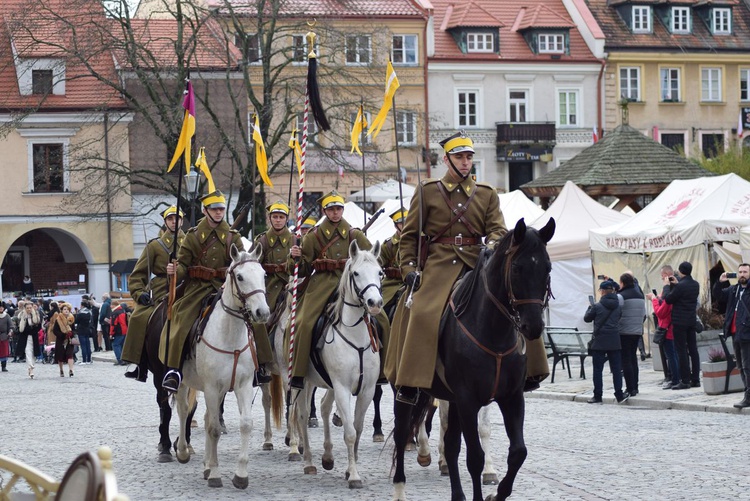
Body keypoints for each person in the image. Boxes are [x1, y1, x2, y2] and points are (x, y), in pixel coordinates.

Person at [384, 130, 512, 405]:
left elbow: (498, 230)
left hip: (478, 262)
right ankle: (412, 382)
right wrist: (408, 269)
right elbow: (409, 237)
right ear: (446, 159)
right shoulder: (427, 191)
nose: (465, 162)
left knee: (515, 303)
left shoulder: (487, 194)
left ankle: (526, 372)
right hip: (439, 263)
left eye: (468, 157)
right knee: (421, 313)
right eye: (459, 157)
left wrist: (493, 243)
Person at [287, 190, 390, 390]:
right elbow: (302, 269)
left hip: (353, 284)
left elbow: (373, 260)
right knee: (303, 323)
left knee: (383, 321)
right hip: (323, 284)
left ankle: (383, 371)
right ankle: (298, 372)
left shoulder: (355, 234)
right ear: (325, 210)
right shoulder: (314, 236)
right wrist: (296, 257)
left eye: (339, 208)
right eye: (332, 209)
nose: (335, 213)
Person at [160, 190, 244, 393]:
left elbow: (241, 264)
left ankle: (260, 366)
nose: (218, 212)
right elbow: (183, 266)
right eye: (214, 209)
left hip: (225, 288)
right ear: (205, 210)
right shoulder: (193, 236)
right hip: (198, 289)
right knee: (181, 322)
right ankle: (175, 370)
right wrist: (174, 270)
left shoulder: (233, 237)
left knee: (252, 320)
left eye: (221, 209)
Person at [122, 205, 186, 382]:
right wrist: (138, 292)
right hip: (160, 288)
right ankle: (138, 363)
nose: (174, 222)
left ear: (182, 221)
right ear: (165, 222)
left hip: (187, 286)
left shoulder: (190, 243)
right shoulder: (154, 246)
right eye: (170, 219)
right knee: (138, 317)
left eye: (177, 219)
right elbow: (138, 274)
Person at [251, 201, 293, 385]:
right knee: (260, 321)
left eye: (281, 217)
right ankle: (261, 362)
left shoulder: (296, 240)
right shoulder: (262, 241)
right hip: (269, 287)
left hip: (292, 285)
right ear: (270, 219)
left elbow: (306, 264)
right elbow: (251, 266)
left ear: (286, 219)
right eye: (275, 217)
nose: (278, 220)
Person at [713, 263, 750, 408]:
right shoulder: (734, 289)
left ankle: (748, 397)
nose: (742, 274)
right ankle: (747, 393)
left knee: (747, 367)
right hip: (735, 334)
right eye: (740, 272)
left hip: (747, 334)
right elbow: (718, 295)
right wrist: (719, 282)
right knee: (740, 366)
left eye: (745, 272)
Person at [584, 280, 627, 404]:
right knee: (616, 369)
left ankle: (597, 395)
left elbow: (587, 319)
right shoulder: (618, 306)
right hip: (614, 340)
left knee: (598, 369)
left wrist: (590, 307)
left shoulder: (597, 306)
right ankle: (619, 394)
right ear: (612, 291)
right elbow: (618, 318)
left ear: (602, 291)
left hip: (600, 341)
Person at [663, 261, 701, 390]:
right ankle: (695, 379)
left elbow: (668, 299)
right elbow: (684, 294)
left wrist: (667, 286)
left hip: (679, 322)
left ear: (680, 271)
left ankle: (685, 380)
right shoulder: (695, 284)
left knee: (681, 351)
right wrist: (676, 284)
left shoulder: (680, 286)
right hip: (691, 320)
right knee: (693, 349)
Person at [618, 272, 645, 397]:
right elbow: (644, 315)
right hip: (637, 330)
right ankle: (636, 386)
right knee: (633, 359)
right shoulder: (640, 295)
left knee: (626, 360)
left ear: (622, 283)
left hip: (624, 331)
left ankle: (630, 388)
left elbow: (618, 313)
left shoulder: (621, 296)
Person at [647, 287, 679, 389]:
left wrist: (654, 300)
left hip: (667, 330)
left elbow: (659, 313)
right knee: (674, 355)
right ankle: (676, 377)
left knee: (671, 356)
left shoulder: (668, 301)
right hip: (674, 329)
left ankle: (675, 379)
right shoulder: (675, 299)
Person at [379, 207, 407, 317]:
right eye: (401, 223)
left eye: (407, 221)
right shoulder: (388, 245)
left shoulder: (420, 242)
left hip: (416, 283)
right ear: (396, 225)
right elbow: (376, 264)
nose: (405, 225)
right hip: (392, 284)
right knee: (380, 313)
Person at [50, 302, 76, 377]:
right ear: (61, 310)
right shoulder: (58, 319)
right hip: (61, 340)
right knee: (60, 356)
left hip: (70, 340)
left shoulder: (72, 319)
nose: (66, 311)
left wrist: (72, 333)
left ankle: (71, 370)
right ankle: (61, 370)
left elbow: (74, 329)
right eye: (64, 309)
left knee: (70, 354)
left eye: (68, 309)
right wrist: (63, 335)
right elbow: (55, 330)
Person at [18, 301, 41, 378]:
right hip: (25, 337)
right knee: (28, 352)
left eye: (30, 308)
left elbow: (39, 326)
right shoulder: (21, 316)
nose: (29, 309)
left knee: (34, 354)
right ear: (25, 308)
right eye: (27, 308)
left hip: (34, 337)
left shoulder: (36, 315)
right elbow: (20, 328)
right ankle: (31, 368)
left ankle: (30, 368)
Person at [75, 298, 94, 365]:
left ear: (82, 305)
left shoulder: (80, 313)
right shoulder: (89, 312)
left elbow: (76, 321)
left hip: (81, 330)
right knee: (88, 345)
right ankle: (88, 359)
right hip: (88, 330)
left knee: (83, 345)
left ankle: (84, 360)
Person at [110, 300, 128, 366]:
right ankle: (125, 359)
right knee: (122, 345)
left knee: (115, 345)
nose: (110, 306)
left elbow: (113, 324)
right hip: (125, 330)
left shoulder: (115, 313)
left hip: (118, 331)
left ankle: (120, 360)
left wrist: (111, 334)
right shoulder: (122, 311)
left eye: (111, 305)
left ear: (114, 305)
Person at [0, 303, 12, 372]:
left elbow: (11, 326)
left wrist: (10, 332)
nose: (1, 308)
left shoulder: (6, 316)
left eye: (2, 307)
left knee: (4, 352)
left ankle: (3, 366)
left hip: (4, 336)